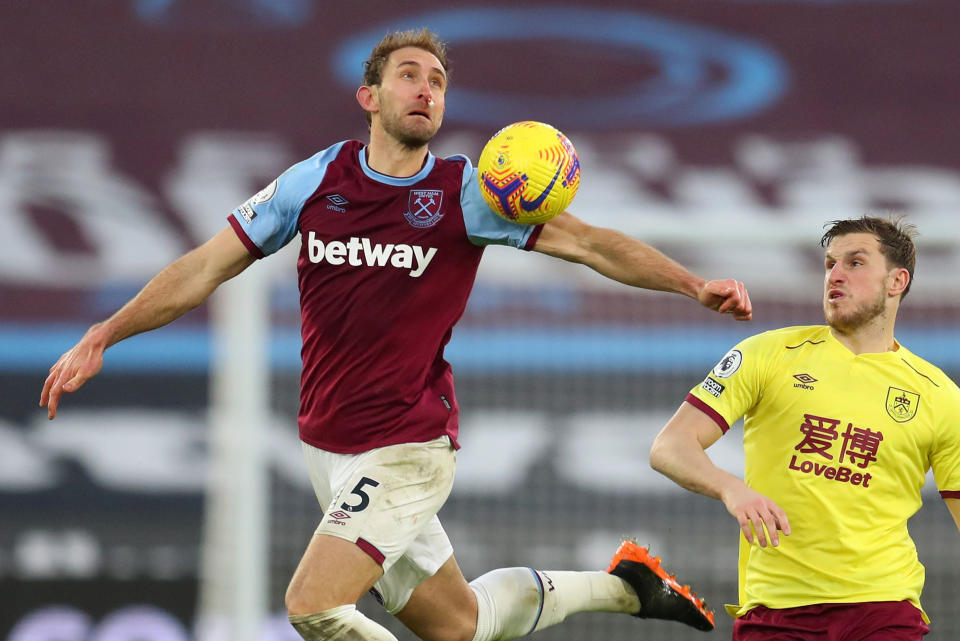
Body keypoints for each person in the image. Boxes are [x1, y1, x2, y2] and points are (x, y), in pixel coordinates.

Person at [40, 29, 752, 641]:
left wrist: (693, 285)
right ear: (369, 96)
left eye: (437, 81)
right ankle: (627, 587)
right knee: (461, 623)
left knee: (314, 605)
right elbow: (203, 268)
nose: (425, 89)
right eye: (407, 75)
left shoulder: (466, 194)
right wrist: (107, 331)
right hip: (327, 447)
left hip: (408, 446)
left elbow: (593, 245)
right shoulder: (316, 180)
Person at [649, 215, 960, 640]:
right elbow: (669, 446)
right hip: (777, 610)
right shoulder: (769, 354)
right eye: (830, 263)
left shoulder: (939, 395)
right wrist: (732, 489)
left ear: (896, 281)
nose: (835, 275)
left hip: (884, 609)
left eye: (855, 263)